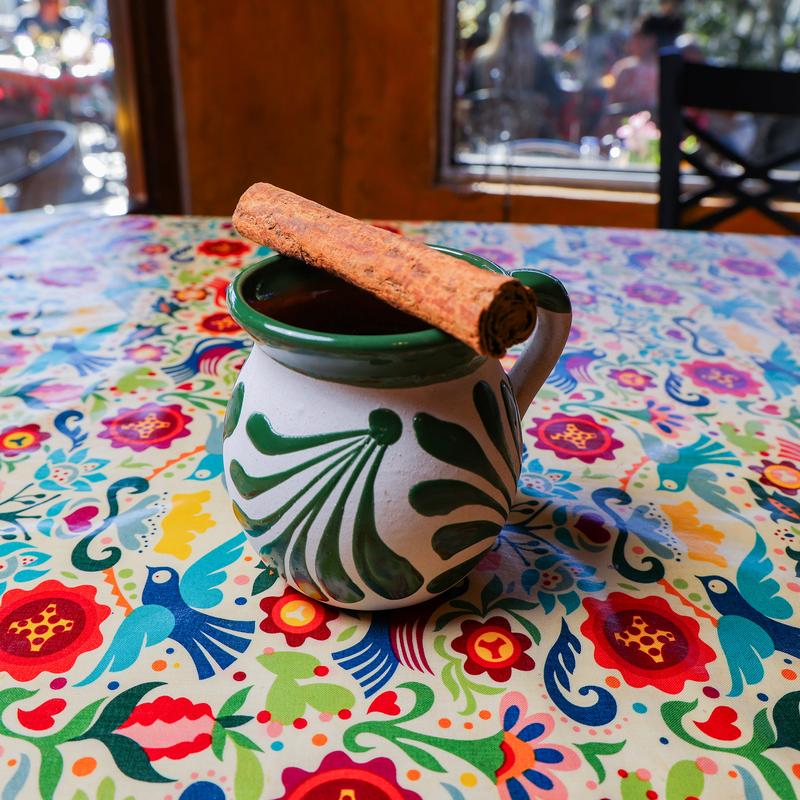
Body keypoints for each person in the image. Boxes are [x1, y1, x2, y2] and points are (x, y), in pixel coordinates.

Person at [465, 2, 564, 141]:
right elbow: (557, 98)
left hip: (487, 134)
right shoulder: (538, 62)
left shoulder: (482, 59)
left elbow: (469, 98)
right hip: (527, 138)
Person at [599, 13, 683, 134]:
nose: (630, 40)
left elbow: (610, 110)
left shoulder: (627, 69)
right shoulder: (669, 71)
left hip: (625, 134)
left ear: (650, 39)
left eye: (635, 34)